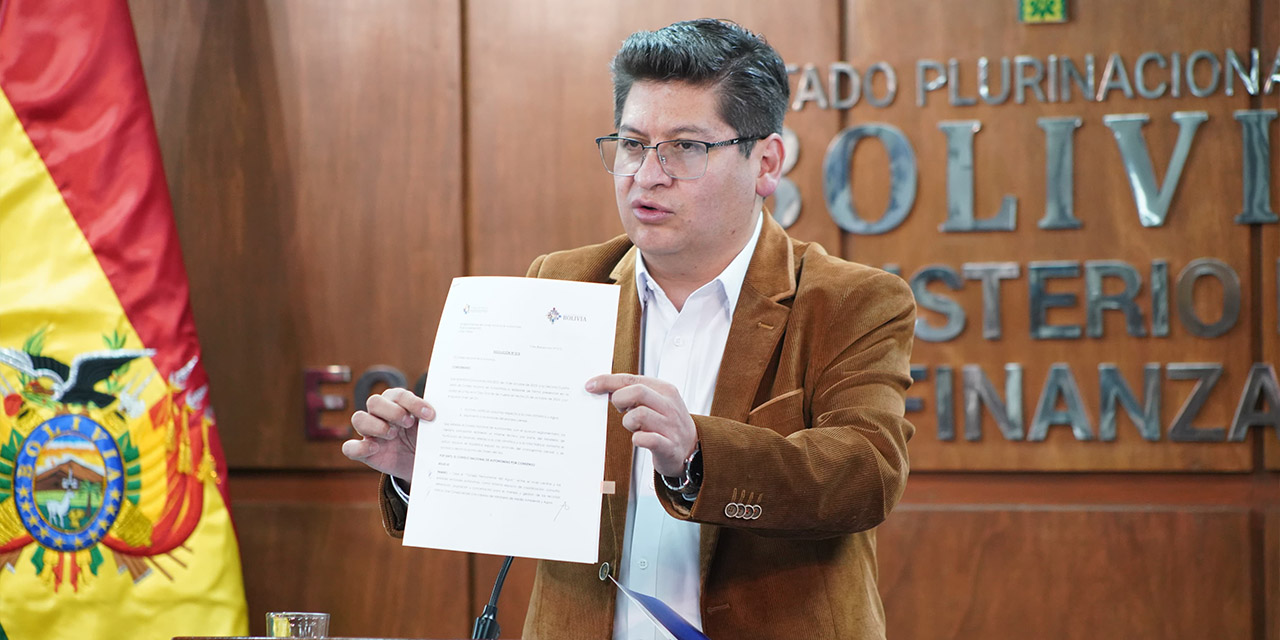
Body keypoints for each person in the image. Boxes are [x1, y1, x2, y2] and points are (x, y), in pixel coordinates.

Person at [343, 18, 916, 640]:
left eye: (686, 148)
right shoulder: (564, 283)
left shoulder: (850, 300)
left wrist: (696, 451)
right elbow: (520, 493)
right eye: (634, 144)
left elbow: (867, 474)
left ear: (766, 163)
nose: (647, 174)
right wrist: (425, 469)